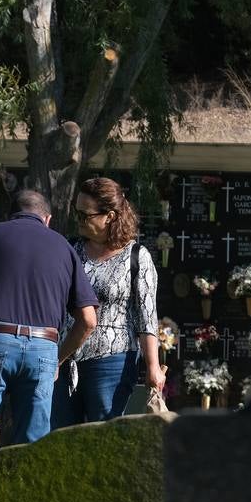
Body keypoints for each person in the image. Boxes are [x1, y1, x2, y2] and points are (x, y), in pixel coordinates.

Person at [0, 189, 98, 443]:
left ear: (11, 215)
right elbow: (89, 320)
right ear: (47, 219)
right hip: (43, 348)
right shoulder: (63, 247)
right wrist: (58, 360)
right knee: (33, 444)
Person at [51, 176, 163, 428]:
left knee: (102, 434)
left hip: (111, 362)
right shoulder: (72, 249)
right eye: (76, 212)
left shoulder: (137, 256)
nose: (77, 219)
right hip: (65, 357)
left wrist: (153, 367)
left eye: (85, 215)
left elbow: (147, 316)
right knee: (59, 435)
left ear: (110, 216)